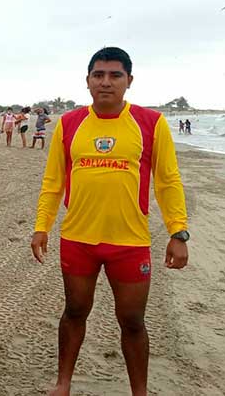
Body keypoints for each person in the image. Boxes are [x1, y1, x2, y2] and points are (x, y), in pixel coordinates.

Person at [30, 47, 189, 396]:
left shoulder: (151, 123)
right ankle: (63, 383)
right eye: (98, 75)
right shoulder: (70, 123)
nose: (106, 82)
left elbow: (168, 181)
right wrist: (42, 225)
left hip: (129, 243)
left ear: (129, 81)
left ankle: (140, 392)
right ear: (87, 81)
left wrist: (178, 231)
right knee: (74, 311)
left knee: (132, 321)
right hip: (78, 239)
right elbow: (53, 182)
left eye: (115, 75)